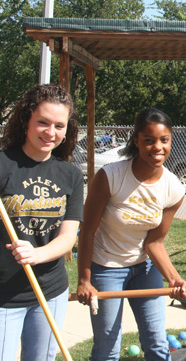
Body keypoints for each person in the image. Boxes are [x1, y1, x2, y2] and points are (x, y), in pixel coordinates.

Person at [76, 107, 186, 361]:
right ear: (136, 140)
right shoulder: (111, 176)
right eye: (148, 140)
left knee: (157, 343)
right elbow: (87, 231)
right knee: (107, 349)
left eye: (164, 140)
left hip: (143, 269)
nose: (157, 147)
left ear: (171, 140)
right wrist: (84, 279)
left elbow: (154, 242)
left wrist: (174, 279)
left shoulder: (174, 188)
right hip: (106, 268)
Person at [0, 84, 83, 361]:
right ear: (26, 120)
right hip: (4, 295)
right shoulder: (2, 164)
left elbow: (68, 237)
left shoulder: (70, 174)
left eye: (59, 125)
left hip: (50, 290)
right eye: (43, 122)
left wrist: (36, 254)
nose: (51, 133)